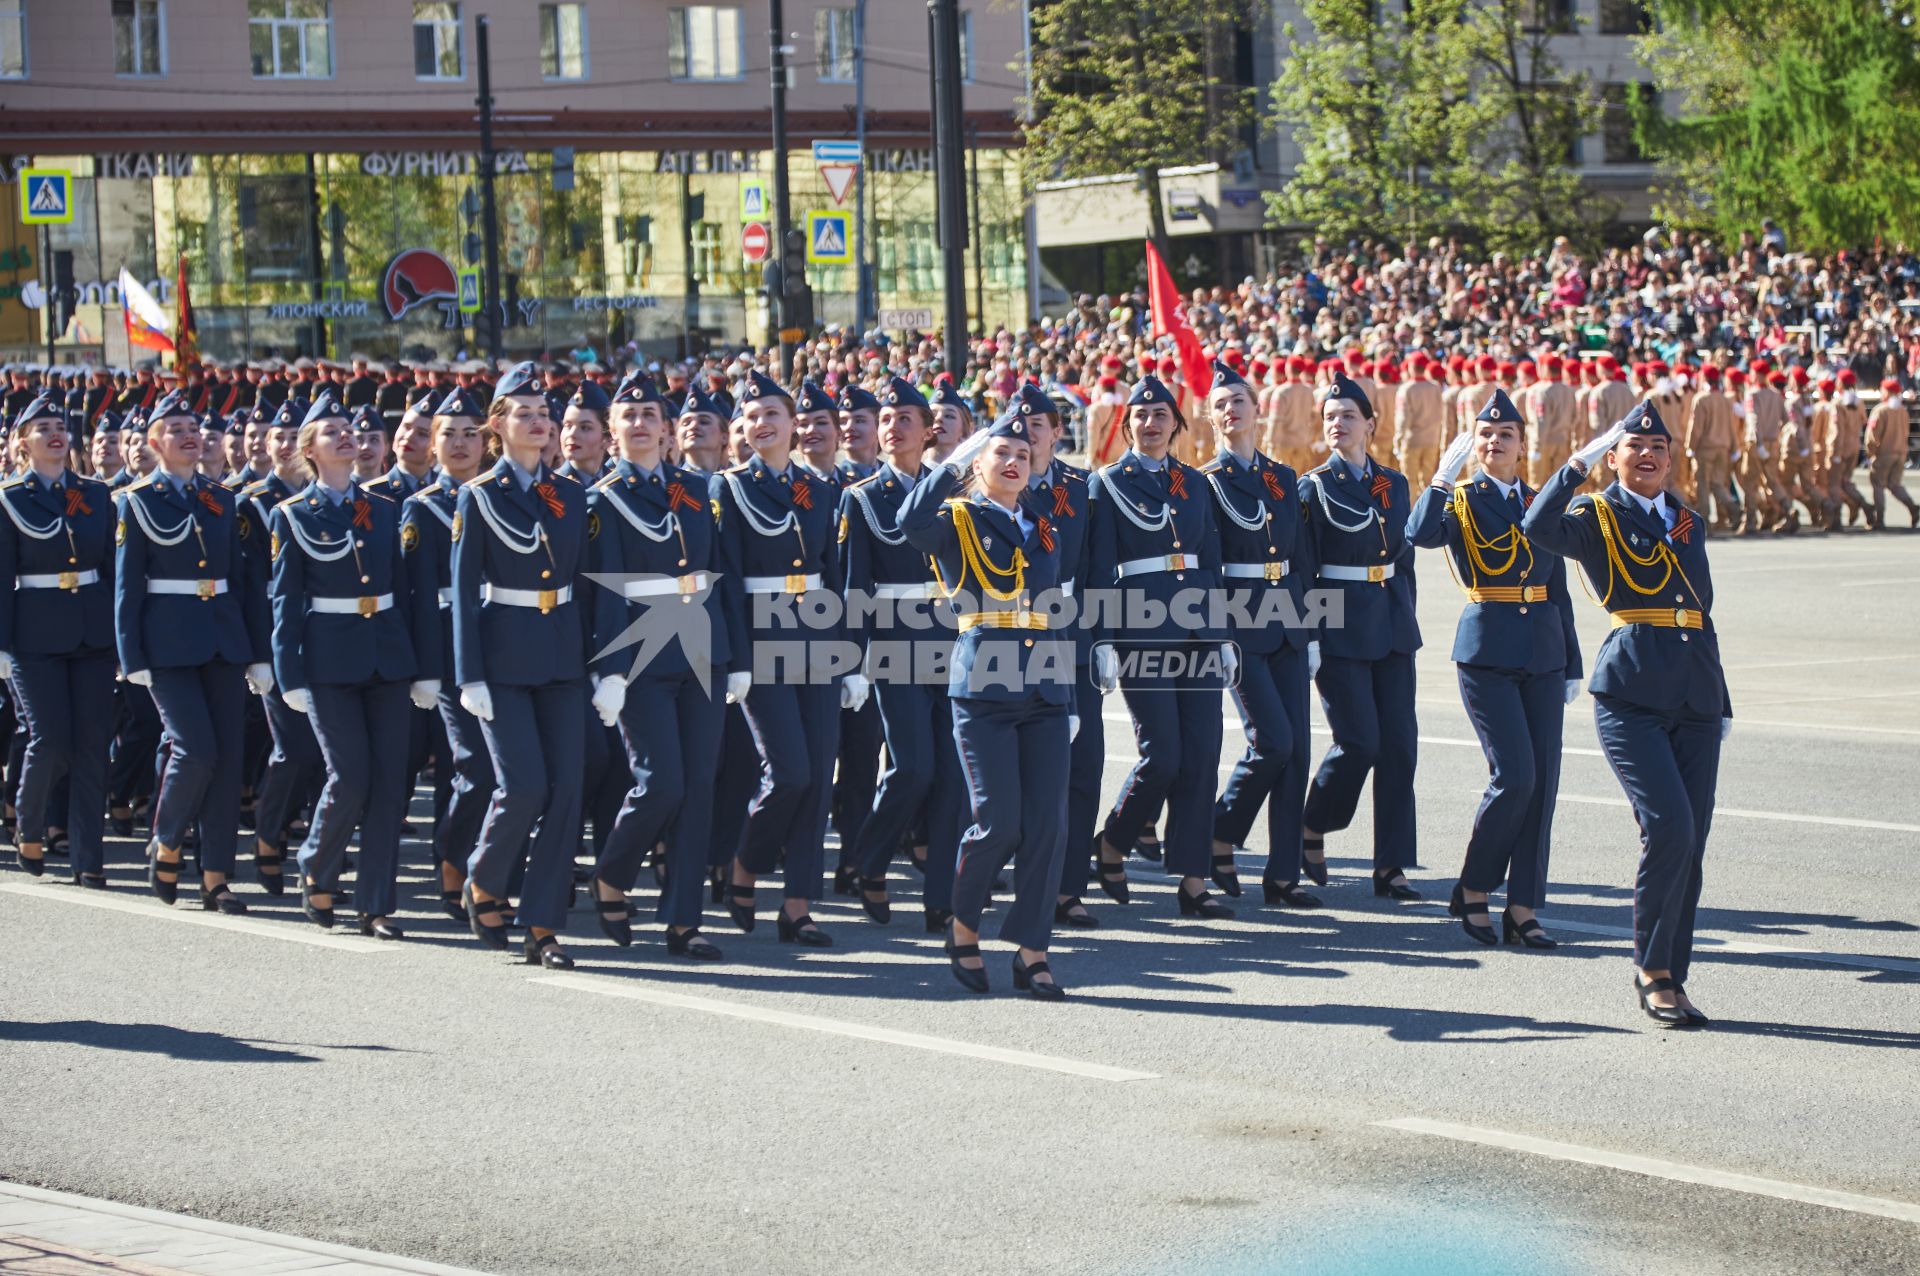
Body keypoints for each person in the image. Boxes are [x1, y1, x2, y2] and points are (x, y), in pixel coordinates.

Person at [1523, 401, 1730, 1027]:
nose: (1648, 456)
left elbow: (1700, 611)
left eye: (1659, 449)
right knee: (1668, 827)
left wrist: (1722, 701)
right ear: (1614, 458)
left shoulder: (1686, 521)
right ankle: (1652, 970)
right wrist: (1574, 469)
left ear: (1671, 459)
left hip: (1696, 695)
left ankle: (1674, 971)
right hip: (1632, 693)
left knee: (1692, 841)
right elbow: (1537, 528)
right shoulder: (1595, 514)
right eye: (1634, 448)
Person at [901, 404, 1075, 998]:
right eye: (1001, 452)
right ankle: (964, 923)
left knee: (1049, 823)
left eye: (1023, 454)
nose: (1014, 460)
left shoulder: (1042, 520)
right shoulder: (955, 519)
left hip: (1046, 685)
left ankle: (1032, 950)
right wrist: (949, 465)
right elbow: (908, 519)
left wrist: (1070, 696)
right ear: (979, 464)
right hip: (984, 685)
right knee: (997, 822)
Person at [1407, 388, 1582, 948]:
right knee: (1516, 777)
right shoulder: (1459, 500)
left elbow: (1558, 589)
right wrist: (1441, 477)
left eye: (1505, 434)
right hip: (1487, 650)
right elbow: (1419, 535)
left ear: (1521, 445)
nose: (1494, 440)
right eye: (1485, 434)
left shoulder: (1540, 502)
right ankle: (1475, 888)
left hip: (1545, 651)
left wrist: (1573, 660)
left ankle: (1524, 906)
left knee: (1545, 783)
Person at [585, 369, 746, 960]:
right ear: (612, 431)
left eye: (650, 415)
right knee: (662, 783)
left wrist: (739, 658)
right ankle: (612, 874)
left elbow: (720, 576)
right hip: (641, 649)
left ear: (667, 429)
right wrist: (609, 670)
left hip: (702, 645)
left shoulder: (695, 490)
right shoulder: (603, 499)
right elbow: (602, 589)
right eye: (628, 416)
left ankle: (683, 918)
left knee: (700, 785)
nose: (640, 424)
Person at [712, 370, 866, 947]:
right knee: (790, 771)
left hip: (818, 638)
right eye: (752, 417)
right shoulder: (727, 489)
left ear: (792, 425)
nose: (763, 425)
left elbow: (836, 578)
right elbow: (725, 581)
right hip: (761, 638)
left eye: (772, 415)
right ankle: (746, 863)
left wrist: (850, 658)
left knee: (818, 777)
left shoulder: (819, 491)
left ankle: (798, 904)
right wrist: (736, 656)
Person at [450, 362, 594, 970]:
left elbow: (584, 583)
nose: (540, 422)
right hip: (503, 657)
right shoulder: (479, 495)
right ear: (498, 427)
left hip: (562, 653)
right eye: (525, 414)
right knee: (524, 785)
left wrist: (597, 663)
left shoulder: (570, 493)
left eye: (545, 413)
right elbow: (461, 590)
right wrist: (469, 675)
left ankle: (542, 925)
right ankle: (483, 874)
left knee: (566, 792)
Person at [115, 389, 273, 913]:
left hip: (223, 640)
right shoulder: (138, 500)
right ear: (156, 442)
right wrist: (130, 655)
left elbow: (246, 580)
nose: (190, 435)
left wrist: (255, 651)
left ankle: (215, 877)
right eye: (177, 428)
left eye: (194, 427)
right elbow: (127, 586)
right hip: (167, 646)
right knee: (194, 749)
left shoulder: (223, 498)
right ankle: (166, 837)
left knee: (226, 762)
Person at [268, 394, 417, 939]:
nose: (347, 435)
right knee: (350, 774)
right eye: (331, 431)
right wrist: (289, 674)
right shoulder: (291, 515)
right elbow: (284, 601)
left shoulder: (380, 508)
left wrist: (417, 664)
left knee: (388, 784)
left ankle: (375, 902)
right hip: (329, 660)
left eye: (348, 428)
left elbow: (403, 589)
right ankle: (317, 863)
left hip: (387, 656)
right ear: (310, 449)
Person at [1088, 373, 1235, 920]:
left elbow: (1210, 562)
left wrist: (1221, 635)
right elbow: (1100, 566)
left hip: (1197, 628)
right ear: (1127, 427)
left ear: (1177, 423)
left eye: (1160, 416)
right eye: (1140, 417)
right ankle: (1114, 841)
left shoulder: (1195, 483)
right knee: (1164, 755)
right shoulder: (1108, 483)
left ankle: (1193, 881)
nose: (1151, 425)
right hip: (1141, 625)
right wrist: (1104, 637)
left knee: (1202, 756)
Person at [837, 375, 965, 928]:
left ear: (927, 430)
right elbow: (854, 588)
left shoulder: (952, 491)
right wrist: (855, 659)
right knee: (912, 767)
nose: (891, 429)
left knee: (953, 773)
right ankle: (868, 861)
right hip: (893, 643)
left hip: (949, 639)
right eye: (885, 421)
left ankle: (941, 897)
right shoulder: (862, 497)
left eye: (903, 420)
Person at [1297, 370, 1422, 900]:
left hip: (1391, 624)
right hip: (1340, 626)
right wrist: (1310, 634)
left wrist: (1406, 611)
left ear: (1371, 424)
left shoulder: (1393, 483)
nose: (1338, 424)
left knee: (1399, 747)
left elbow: (1405, 556)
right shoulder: (1313, 486)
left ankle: (1390, 866)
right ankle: (1312, 824)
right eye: (1330, 417)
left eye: (1348, 416)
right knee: (1359, 743)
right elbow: (1303, 566)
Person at [1200, 361, 1319, 908]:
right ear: (1210, 417)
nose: (1231, 411)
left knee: (1297, 752)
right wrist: (1218, 634)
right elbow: (1204, 567)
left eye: (1239, 402)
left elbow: (1299, 556)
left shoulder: (1283, 477)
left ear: (1257, 410)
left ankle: (1282, 875)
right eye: (1220, 404)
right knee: (1272, 740)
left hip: (1288, 617)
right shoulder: (1206, 483)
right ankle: (1219, 830)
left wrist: (1312, 626)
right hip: (1240, 620)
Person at [0, 392, 116, 886]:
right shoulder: (9, 498)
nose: (54, 432)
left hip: (91, 631)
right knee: (49, 740)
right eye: (42, 425)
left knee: (91, 745)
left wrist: (119, 637)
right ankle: (28, 820)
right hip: (34, 635)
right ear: (23, 442)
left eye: (60, 425)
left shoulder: (94, 494)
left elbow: (112, 573)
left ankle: (88, 858)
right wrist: (2, 646)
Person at [400, 385, 492, 922]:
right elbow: (415, 595)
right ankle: (453, 862)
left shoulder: (499, 496)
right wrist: (427, 670)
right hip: (447, 653)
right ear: (431, 446)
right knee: (470, 766)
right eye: (448, 435)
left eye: (470, 435)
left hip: (501, 642)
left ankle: (485, 864)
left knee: (495, 768)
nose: (459, 444)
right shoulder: (421, 507)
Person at [1865, 382, 1917, 529]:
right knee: (1895, 485)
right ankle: (1912, 506)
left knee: (1878, 484)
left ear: (1887, 391)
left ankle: (1879, 519)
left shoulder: (1880, 410)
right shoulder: (1902, 410)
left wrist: (1871, 453)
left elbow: (1871, 436)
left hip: (1884, 453)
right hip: (1900, 453)